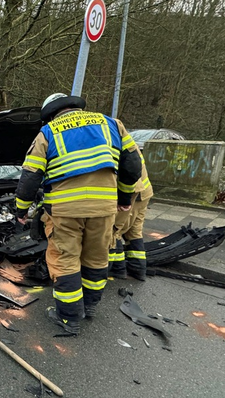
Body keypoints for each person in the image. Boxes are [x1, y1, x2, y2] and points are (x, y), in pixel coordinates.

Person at [15, 93, 142, 335]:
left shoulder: (48, 132)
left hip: (65, 211)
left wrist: (22, 210)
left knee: (65, 260)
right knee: (96, 257)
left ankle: (69, 318)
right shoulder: (112, 124)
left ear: (50, 114)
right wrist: (125, 199)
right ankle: (90, 306)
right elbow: (133, 165)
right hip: (103, 208)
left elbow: (31, 176)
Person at [109, 158, 153, 281]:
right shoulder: (131, 147)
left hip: (131, 193)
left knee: (114, 230)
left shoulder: (119, 147)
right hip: (144, 192)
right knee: (134, 231)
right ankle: (138, 269)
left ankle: (117, 269)